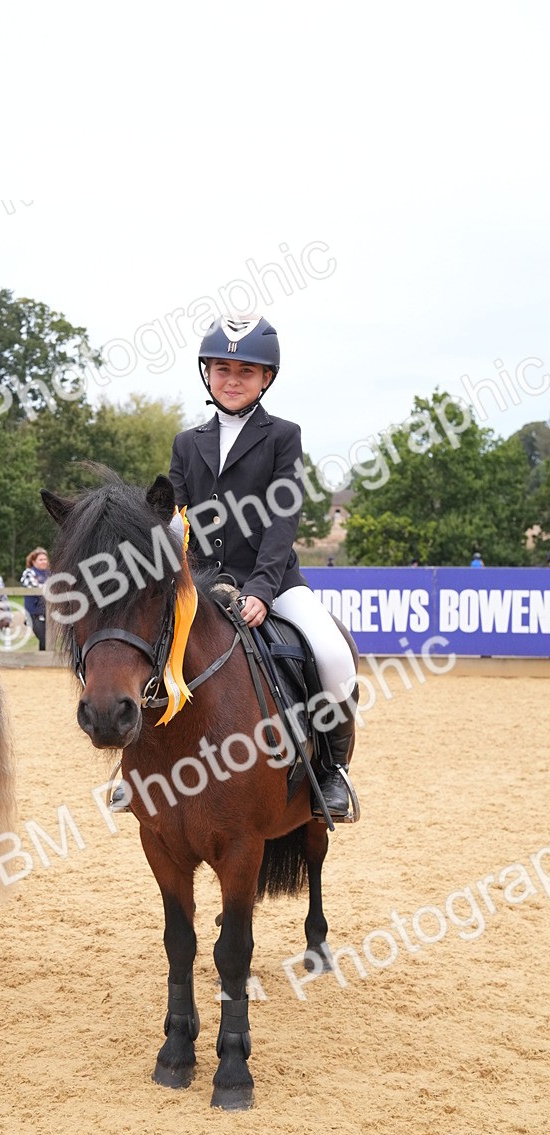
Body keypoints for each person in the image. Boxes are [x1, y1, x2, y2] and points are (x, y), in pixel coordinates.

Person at [160, 315, 357, 819]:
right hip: (203, 583)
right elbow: (179, 519)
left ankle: (332, 774)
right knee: (149, 648)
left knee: (334, 657)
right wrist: (186, 578)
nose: (231, 379)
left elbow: (282, 518)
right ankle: (138, 772)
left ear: (266, 378)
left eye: (245, 371)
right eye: (221, 368)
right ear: (207, 373)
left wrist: (263, 590)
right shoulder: (187, 443)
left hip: (273, 581)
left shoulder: (283, 436)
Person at [21, 547, 50, 650]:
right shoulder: (29, 573)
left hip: (48, 613)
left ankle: (43, 662)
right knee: (44, 639)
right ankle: (43, 660)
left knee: (48, 640)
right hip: (34, 613)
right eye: (40, 559)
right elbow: (35, 588)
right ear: (33, 561)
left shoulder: (49, 573)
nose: (44, 562)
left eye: (45, 559)